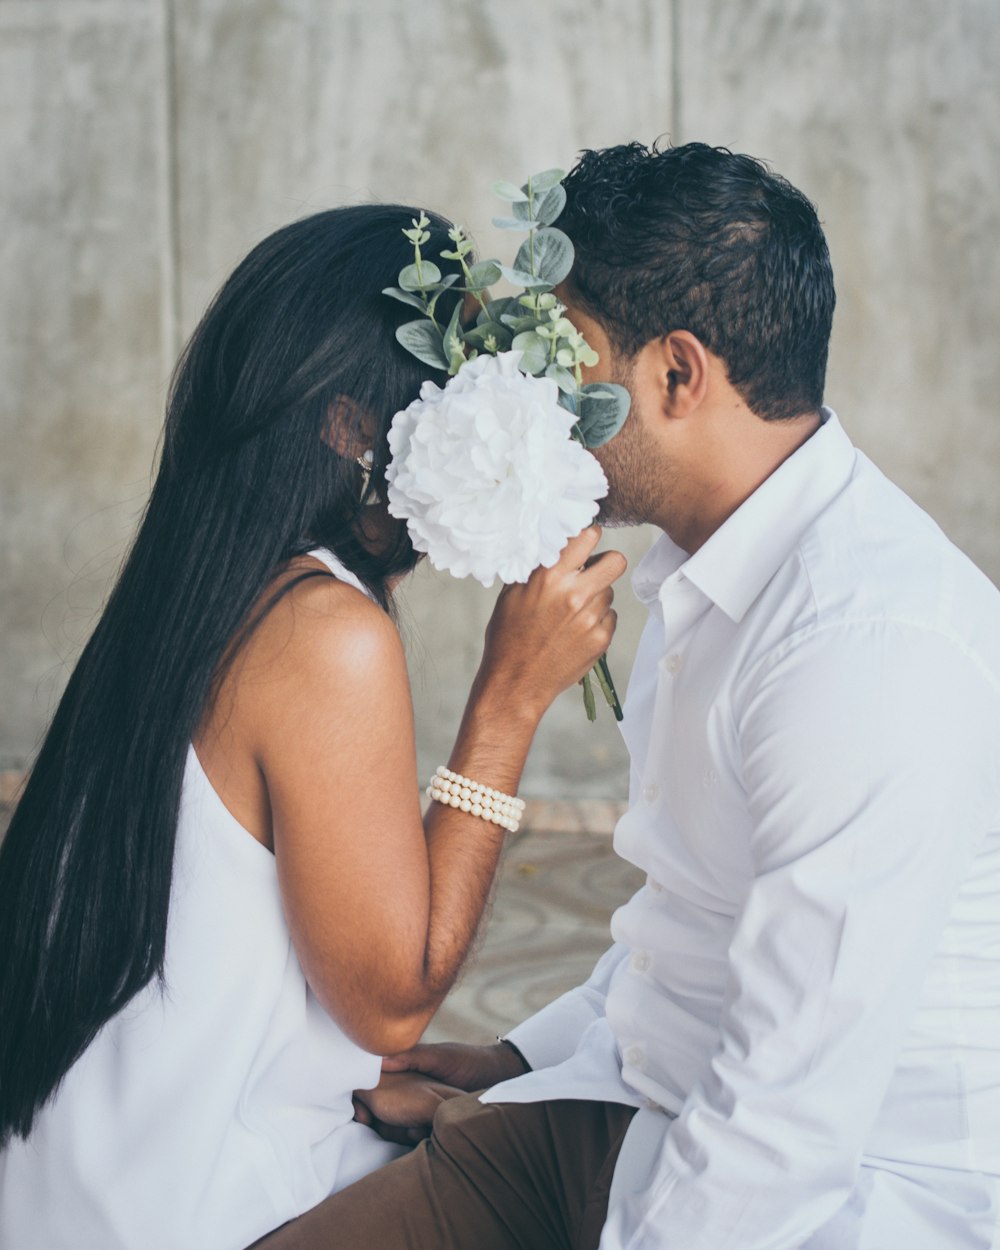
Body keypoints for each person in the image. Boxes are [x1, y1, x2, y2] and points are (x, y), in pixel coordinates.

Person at [251, 144, 1000, 1249]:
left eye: (569, 361)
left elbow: (784, 1130)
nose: (542, 402)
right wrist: (520, 1061)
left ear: (676, 375)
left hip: (843, 1193)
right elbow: (686, 925)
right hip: (626, 1105)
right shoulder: (701, 572)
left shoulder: (864, 648)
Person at [0, 204, 626, 1250]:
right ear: (347, 426)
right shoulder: (324, 630)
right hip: (198, 1213)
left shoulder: (203, 591)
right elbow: (390, 1006)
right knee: (597, 1156)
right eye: (452, 385)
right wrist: (508, 698)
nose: (484, 415)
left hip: (75, 1192)